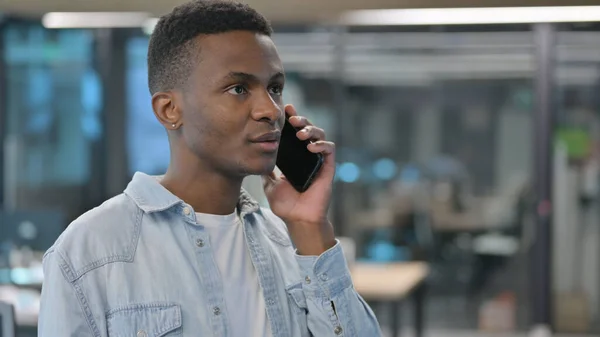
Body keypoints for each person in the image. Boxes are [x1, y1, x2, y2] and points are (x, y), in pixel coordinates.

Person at [38, 1, 382, 336]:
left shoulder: (292, 246)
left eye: (275, 88)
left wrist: (310, 227)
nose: (270, 110)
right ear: (170, 110)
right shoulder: (88, 253)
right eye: (239, 88)